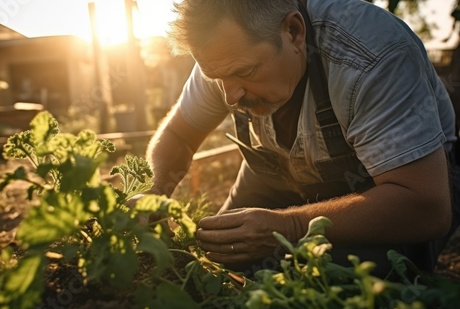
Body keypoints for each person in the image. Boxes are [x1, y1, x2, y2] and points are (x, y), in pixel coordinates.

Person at [145, 0, 460, 277]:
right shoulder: (227, 57)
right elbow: (178, 134)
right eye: (217, 78)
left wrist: (288, 227)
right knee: (220, 257)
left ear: (294, 32)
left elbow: (426, 205)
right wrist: (154, 191)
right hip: (279, 172)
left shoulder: (369, 56)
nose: (229, 96)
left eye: (246, 73)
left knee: (329, 277)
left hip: (387, 190)